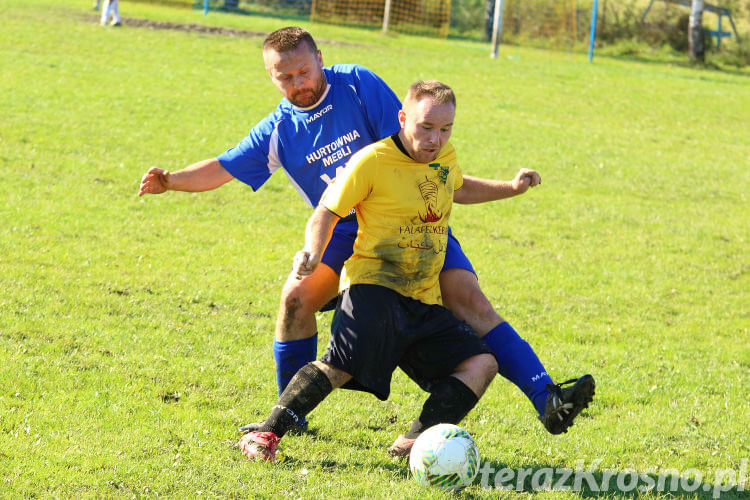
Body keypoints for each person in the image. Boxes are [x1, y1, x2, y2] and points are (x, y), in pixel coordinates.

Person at [137, 26, 594, 438]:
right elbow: (225, 167)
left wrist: (507, 188)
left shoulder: (357, 84)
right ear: (271, 77)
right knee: (295, 298)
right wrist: (172, 180)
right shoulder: (279, 129)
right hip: (343, 234)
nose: (297, 83)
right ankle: (289, 418)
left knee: (470, 301)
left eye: (302, 71)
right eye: (284, 78)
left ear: (320, 57)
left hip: (414, 225)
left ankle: (547, 398)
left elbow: (420, 151)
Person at [238, 81, 498, 462]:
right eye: (426, 127)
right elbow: (327, 210)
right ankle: (266, 432)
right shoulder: (372, 160)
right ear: (402, 118)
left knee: (482, 363)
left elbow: (457, 186)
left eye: (445, 129)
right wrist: (313, 250)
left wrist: (511, 187)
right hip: (372, 285)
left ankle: (413, 443)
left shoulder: (446, 158)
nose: (435, 139)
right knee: (342, 364)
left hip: (421, 296)